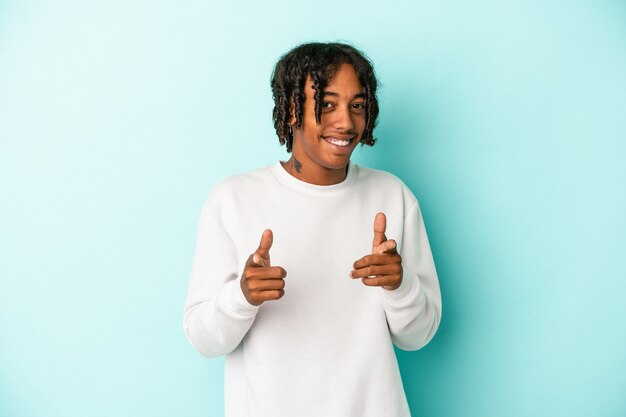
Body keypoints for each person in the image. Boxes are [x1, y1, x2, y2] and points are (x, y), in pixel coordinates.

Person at [183, 42, 442, 417]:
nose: (345, 122)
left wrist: (398, 286)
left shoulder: (392, 196)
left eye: (357, 105)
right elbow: (203, 339)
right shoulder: (233, 200)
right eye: (327, 103)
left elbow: (418, 336)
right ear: (291, 109)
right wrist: (242, 297)